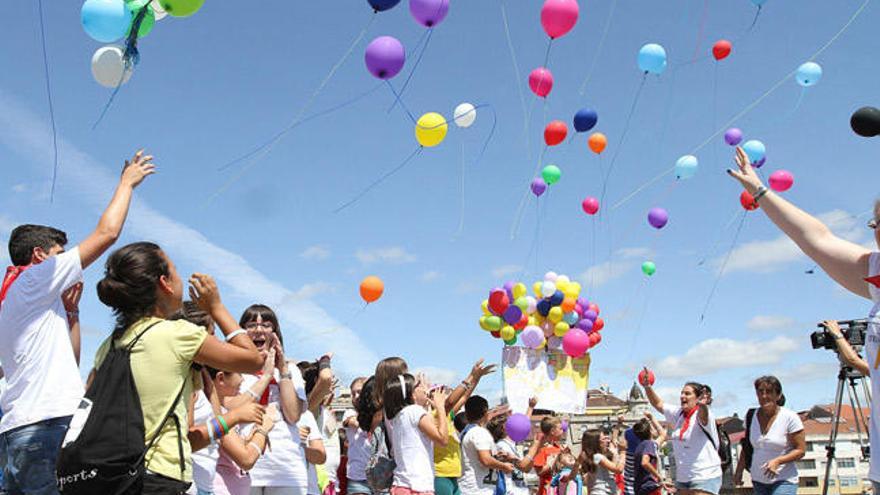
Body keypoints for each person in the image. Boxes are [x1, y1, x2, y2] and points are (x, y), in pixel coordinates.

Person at [0, 150, 154, 495]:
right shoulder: (35, 279)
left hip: (18, 432)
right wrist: (127, 183)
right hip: (47, 427)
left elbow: (69, 363)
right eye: (59, 254)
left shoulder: (14, 300)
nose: (66, 262)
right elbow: (107, 233)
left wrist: (72, 314)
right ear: (40, 257)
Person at [727, 146, 880, 491]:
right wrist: (760, 191)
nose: (878, 232)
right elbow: (815, 238)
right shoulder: (877, 275)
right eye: (877, 223)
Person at [92, 242, 266, 493]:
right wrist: (216, 307)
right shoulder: (176, 334)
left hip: (114, 476)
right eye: (175, 270)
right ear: (165, 283)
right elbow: (253, 360)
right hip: (159, 476)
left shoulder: (109, 344)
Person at [233, 304, 311, 495]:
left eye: (266, 325)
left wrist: (282, 369)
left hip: (285, 467)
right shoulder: (232, 369)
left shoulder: (290, 370)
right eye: (251, 325)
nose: (259, 330)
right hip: (245, 462)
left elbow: (293, 415)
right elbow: (230, 410)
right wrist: (265, 375)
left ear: (275, 332)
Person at [641, 375, 721, 495]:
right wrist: (647, 386)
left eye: (687, 394)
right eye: (682, 393)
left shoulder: (703, 413)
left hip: (705, 475)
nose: (682, 396)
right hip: (684, 477)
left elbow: (704, 418)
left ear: (698, 398)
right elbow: (658, 404)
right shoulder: (678, 413)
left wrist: (703, 405)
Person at [434, 359, 497, 495]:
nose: (446, 394)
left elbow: (464, 397)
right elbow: (450, 402)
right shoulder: (433, 415)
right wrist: (471, 376)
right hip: (440, 475)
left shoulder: (447, 416)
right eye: (442, 392)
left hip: (454, 475)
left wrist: (477, 378)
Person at [733, 376, 805, 495]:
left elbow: (801, 450)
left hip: (783, 479)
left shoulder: (790, 417)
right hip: (758, 480)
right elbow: (747, 447)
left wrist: (778, 461)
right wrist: (739, 471)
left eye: (769, 392)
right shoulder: (751, 416)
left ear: (778, 395)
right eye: (760, 392)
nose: (764, 396)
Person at [383, 373, 448, 495]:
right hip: (417, 487)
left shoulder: (399, 416)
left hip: (401, 485)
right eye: (419, 385)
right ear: (411, 394)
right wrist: (441, 407)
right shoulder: (415, 411)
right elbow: (443, 439)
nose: (424, 388)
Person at [458, 396, 514, 495]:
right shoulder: (479, 432)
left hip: (471, 487)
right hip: (478, 489)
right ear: (485, 412)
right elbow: (486, 460)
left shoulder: (467, 431)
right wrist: (504, 466)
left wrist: (496, 457)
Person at [488, 410, 547, 495]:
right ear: (505, 427)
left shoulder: (511, 445)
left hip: (519, 491)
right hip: (510, 492)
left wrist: (538, 447)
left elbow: (527, 467)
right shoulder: (502, 446)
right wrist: (536, 445)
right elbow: (524, 466)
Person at [343, 377, 373, 495]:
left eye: (359, 392)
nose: (355, 396)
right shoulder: (350, 413)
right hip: (357, 479)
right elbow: (355, 423)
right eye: (353, 393)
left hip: (379, 477)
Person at [576, 430, 624, 495]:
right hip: (602, 491)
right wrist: (623, 452)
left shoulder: (587, 455)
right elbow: (618, 469)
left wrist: (614, 454)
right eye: (603, 439)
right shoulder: (598, 457)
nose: (607, 441)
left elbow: (613, 469)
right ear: (596, 442)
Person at [632, 419, 672, 495]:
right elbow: (645, 462)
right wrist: (658, 476)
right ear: (650, 431)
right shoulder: (649, 444)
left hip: (641, 487)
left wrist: (652, 418)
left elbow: (662, 435)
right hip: (649, 487)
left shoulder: (641, 445)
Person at [533, 417, 564, 495]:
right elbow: (539, 472)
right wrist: (553, 461)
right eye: (560, 429)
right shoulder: (542, 448)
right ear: (553, 431)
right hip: (546, 491)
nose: (562, 431)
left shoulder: (558, 447)